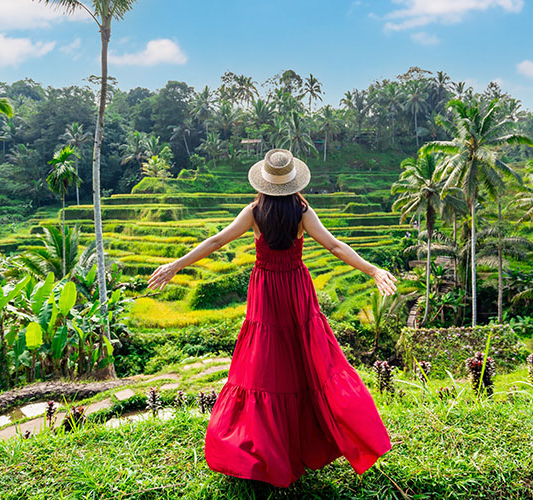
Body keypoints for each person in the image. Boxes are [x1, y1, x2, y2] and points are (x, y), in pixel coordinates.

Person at [147, 149, 395, 487]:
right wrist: (372, 269)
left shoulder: (254, 212)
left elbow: (219, 239)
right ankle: (309, 440)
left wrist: (177, 264)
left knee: (266, 366)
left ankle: (268, 451)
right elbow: (335, 246)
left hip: (265, 289)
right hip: (295, 288)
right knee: (305, 359)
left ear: (263, 183)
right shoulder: (303, 212)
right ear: (294, 183)